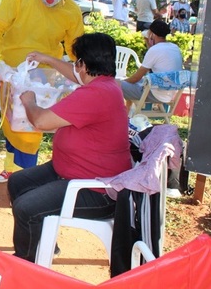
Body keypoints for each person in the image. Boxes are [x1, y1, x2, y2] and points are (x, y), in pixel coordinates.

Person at [8, 32, 132, 262]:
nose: (75, 68)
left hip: (96, 190)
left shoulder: (95, 94)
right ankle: (43, 244)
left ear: (84, 65)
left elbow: (41, 121)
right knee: (18, 182)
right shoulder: (105, 83)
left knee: (26, 207)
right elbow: (76, 76)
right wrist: (47, 58)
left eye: (77, 62)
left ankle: (25, 265)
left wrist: (29, 102)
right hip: (76, 171)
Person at [0, 0, 84, 183]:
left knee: (30, 126)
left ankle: (26, 177)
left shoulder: (71, 10)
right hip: (10, 69)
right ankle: (11, 167)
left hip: (43, 76)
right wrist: (0, 61)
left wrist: (80, 70)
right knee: (11, 121)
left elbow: (76, 46)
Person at [120, 19, 183, 110]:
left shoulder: (155, 50)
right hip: (169, 93)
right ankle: (127, 113)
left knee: (116, 84)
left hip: (155, 94)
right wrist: (147, 41)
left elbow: (135, 78)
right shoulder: (174, 47)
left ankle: (119, 115)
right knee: (133, 83)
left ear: (152, 34)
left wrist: (123, 81)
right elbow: (155, 53)